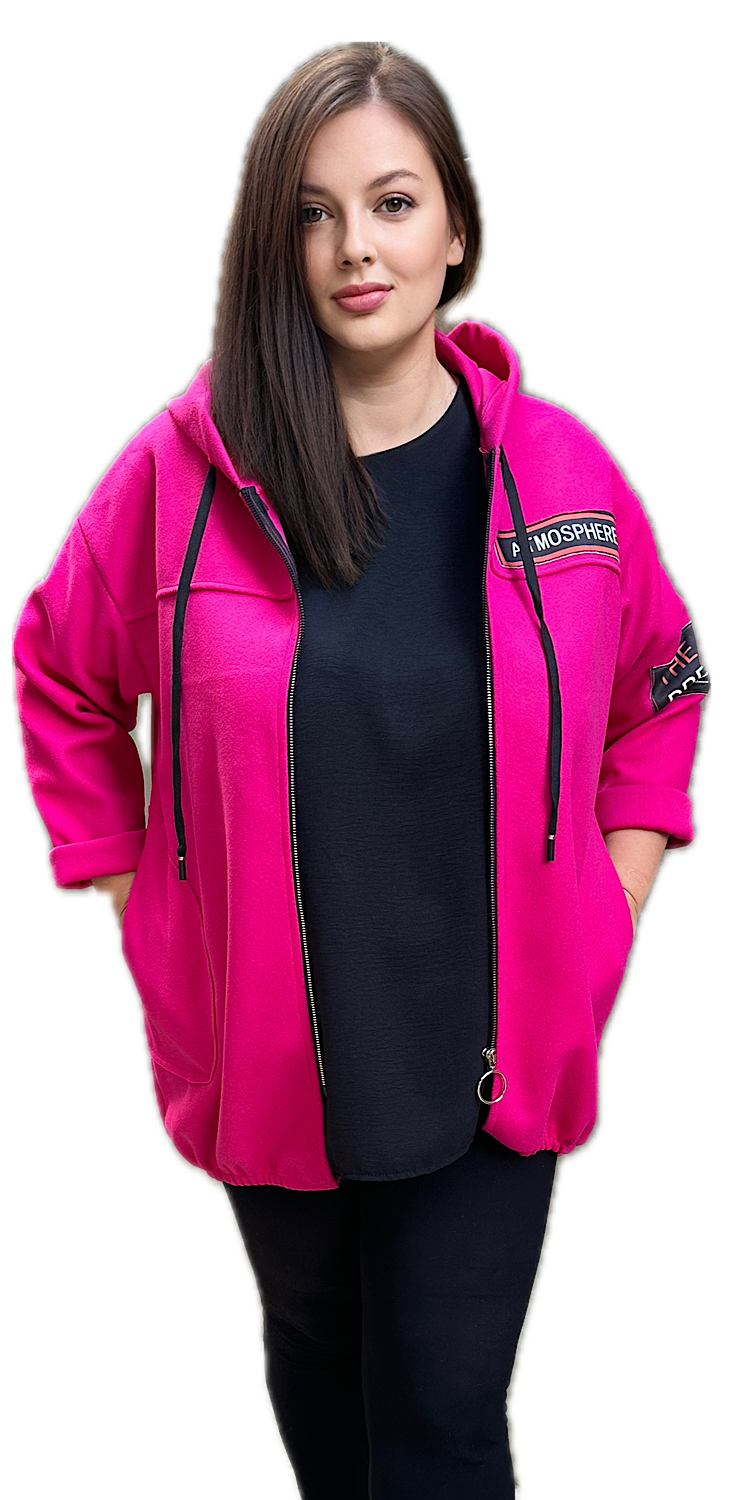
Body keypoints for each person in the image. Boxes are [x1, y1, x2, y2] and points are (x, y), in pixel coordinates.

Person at [10, 40, 711, 1500]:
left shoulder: (565, 474)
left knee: (445, 1420)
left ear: (456, 226)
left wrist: (612, 899)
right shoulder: (176, 476)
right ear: (273, 243)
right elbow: (57, 670)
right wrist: (144, 905)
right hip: (268, 1050)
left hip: (497, 1050)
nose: (354, 250)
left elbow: (663, 684)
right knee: (321, 1385)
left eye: (392, 203)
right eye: (313, 213)